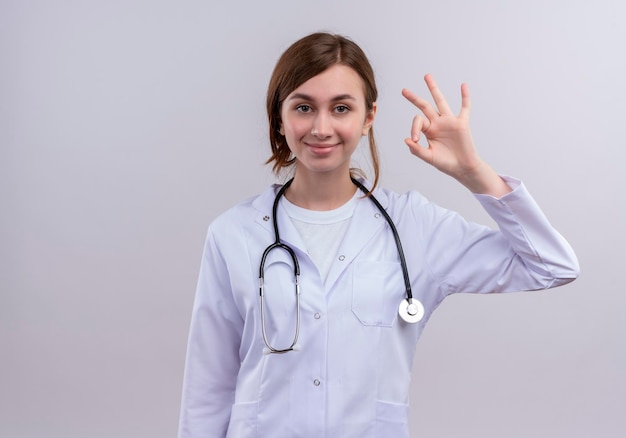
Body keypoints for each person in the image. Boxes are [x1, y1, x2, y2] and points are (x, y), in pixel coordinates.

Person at [177, 32, 579, 438]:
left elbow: (552, 265)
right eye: (303, 107)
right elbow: (207, 391)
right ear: (279, 118)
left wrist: (473, 171)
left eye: (340, 108)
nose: (321, 127)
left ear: (368, 117)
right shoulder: (233, 233)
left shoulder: (415, 226)